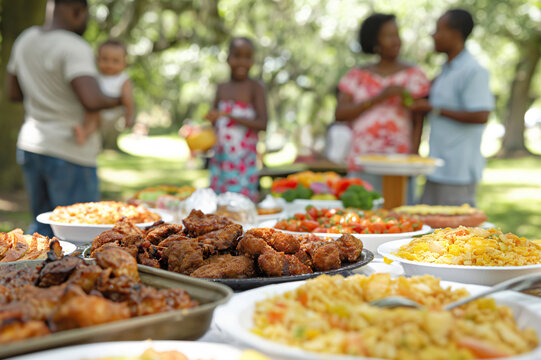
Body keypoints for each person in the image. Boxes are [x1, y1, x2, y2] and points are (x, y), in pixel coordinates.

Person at [6, 0, 122, 237]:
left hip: (32, 144)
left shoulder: (25, 39)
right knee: (82, 233)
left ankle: (33, 272)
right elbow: (91, 99)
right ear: (77, 11)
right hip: (70, 149)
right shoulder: (74, 46)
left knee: (41, 228)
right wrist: (121, 99)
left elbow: (13, 92)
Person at [334, 13, 430, 203]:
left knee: (400, 217)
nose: (397, 41)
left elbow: (419, 118)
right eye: (389, 35)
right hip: (363, 160)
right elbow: (340, 113)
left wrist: (414, 154)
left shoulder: (414, 75)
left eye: (397, 34)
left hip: (399, 162)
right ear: (374, 41)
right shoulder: (357, 75)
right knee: (361, 215)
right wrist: (380, 97)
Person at [411, 9, 494, 206]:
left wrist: (435, 109)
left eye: (439, 30)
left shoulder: (473, 71)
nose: (433, 35)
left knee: (456, 231)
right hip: (437, 166)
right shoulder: (446, 70)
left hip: (458, 169)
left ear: (456, 35)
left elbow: (481, 115)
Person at [205, 37, 268, 202]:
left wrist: (230, 116)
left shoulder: (255, 87)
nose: (242, 61)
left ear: (253, 61)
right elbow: (215, 122)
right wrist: (209, 121)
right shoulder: (222, 88)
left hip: (243, 162)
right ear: (228, 58)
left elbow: (263, 123)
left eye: (247, 57)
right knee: (218, 206)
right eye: (237, 55)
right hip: (220, 159)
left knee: (241, 205)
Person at [74, 39, 135, 145]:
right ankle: (84, 133)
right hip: (97, 109)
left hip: (113, 112)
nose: (109, 65)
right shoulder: (95, 76)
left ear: (125, 63)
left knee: (94, 114)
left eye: (115, 61)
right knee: (91, 114)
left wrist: (129, 116)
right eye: (104, 59)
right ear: (97, 60)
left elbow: (128, 99)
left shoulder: (123, 79)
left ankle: (86, 134)